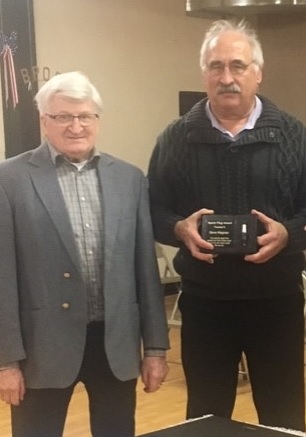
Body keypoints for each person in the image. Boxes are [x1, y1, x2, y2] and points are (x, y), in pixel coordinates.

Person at [147, 19, 306, 432]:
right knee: (206, 417)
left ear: (258, 72)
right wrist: (178, 229)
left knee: (283, 417)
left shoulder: (293, 134)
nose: (226, 78)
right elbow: (153, 210)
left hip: (276, 301)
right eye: (216, 67)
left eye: (237, 66)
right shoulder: (175, 138)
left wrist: (288, 235)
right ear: (204, 73)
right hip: (204, 303)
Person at [0, 71, 170, 437]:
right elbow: (3, 278)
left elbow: (145, 273)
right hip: (41, 349)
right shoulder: (9, 180)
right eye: (63, 116)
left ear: (97, 120)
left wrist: (155, 348)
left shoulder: (129, 178)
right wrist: (5, 362)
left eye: (85, 116)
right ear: (44, 121)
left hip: (115, 345)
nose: (75, 126)